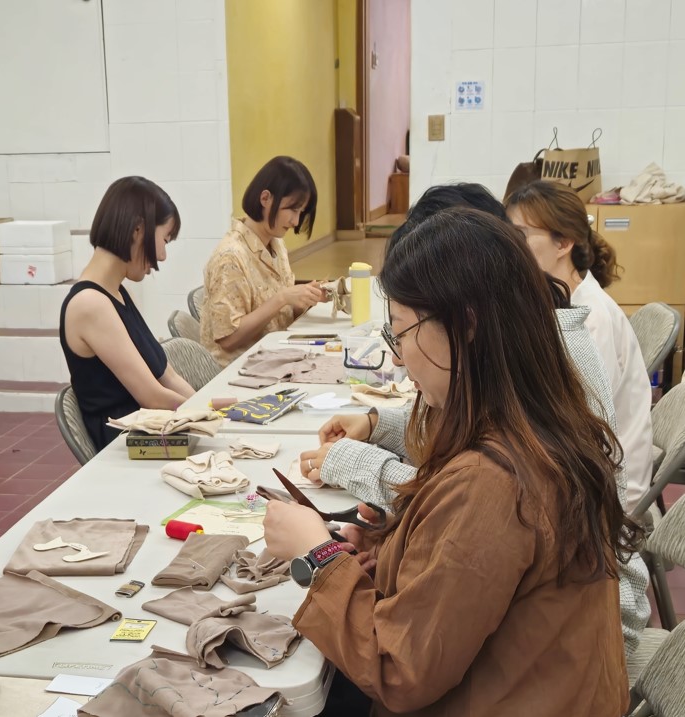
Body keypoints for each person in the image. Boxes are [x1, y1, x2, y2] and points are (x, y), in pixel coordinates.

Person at [265, 208, 636, 716]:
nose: (398, 359)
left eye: (401, 333)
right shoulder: (542, 420)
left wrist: (318, 555)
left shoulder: (494, 481)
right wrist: (399, 547)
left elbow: (397, 669)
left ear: (466, 324)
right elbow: (484, 574)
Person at [506, 180, 654, 511]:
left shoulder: (591, 318)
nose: (510, 247)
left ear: (563, 243)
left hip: (607, 492)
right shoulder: (560, 301)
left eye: (520, 235)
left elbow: (583, 427)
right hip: (583, 465)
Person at [60, 176, 195, 452]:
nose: (162, 256)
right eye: (164, 239)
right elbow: (151, 396)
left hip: (152, 432)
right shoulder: (89, 304)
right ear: (137, 229)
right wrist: (207, 416)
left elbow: (167, 377)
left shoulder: (118, 292)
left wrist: (211, 411)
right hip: (128, 447)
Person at [200, 156, 327, 365]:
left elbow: (281, 317)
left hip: (276, 356)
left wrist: (305, 299)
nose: (295, 221)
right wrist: (282, 298)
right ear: (265, 198)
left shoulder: (276, 244)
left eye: (300, 212)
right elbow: (228, 339)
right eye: (292, 210)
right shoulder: (230, 256)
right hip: (240, 369)